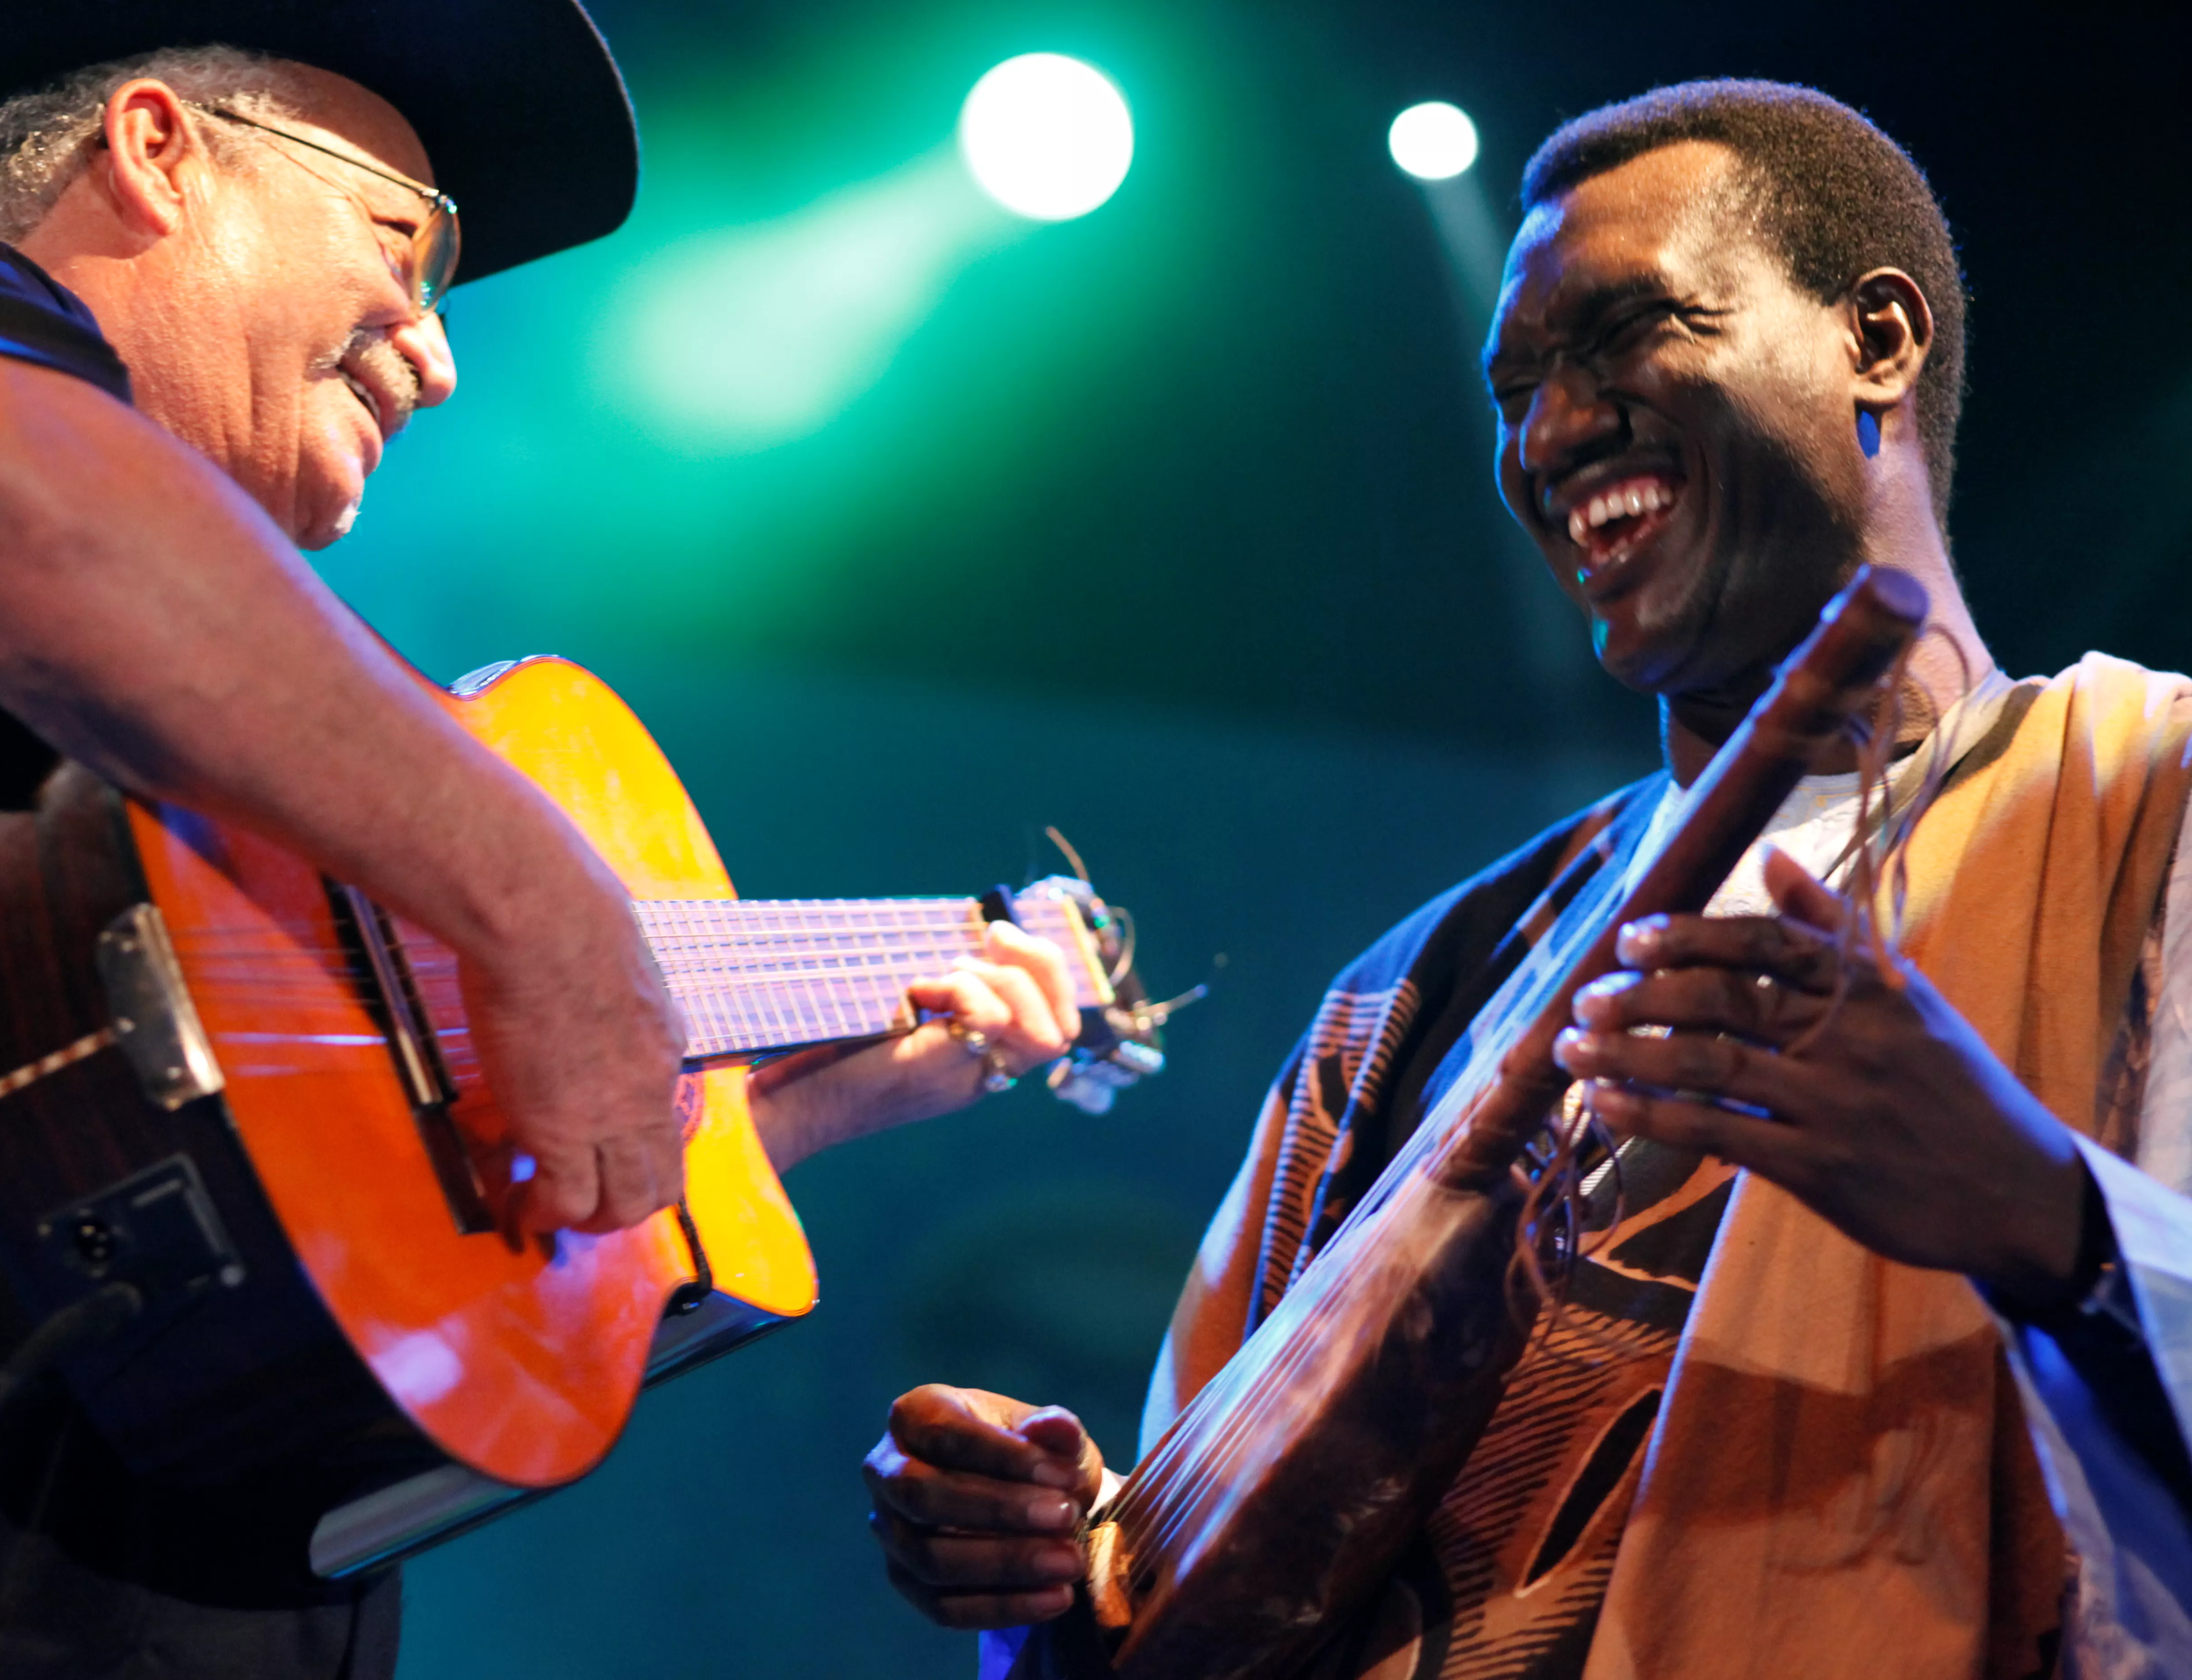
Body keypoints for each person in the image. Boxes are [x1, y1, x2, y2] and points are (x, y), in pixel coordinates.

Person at [0, 4, 1078, 1677]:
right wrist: (546, 912)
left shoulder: (269, 762)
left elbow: (346, 1264)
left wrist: (759, 1117)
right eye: (407, 247)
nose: (438, 353)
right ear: (157, 151)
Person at [865, 80, 2192, 1677]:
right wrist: (1060, 1549)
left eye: (1632, 332)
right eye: (1516, 390)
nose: (1551, 436)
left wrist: (2039, 1212)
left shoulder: (2151, 804)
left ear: (1878, 341)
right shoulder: (1426, 989)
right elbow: (1187, 1578)